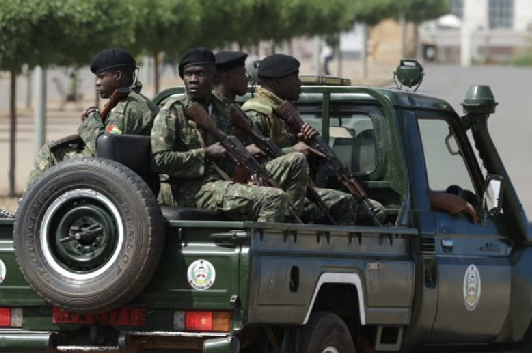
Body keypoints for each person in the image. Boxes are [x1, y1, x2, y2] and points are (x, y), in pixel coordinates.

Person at [0, 48, 157, 217]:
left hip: (120, 176)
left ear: (118, 76)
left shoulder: (127, 107)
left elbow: (105, 149)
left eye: (102, 77)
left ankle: (23, 215)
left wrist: (92, 120)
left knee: (51, 153)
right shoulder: (133, 103)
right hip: (128, 174)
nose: (97, 83)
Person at [150, 47, 308, 222]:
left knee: (296, 160)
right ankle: (260, 246)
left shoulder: (223, 107)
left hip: (227, 178)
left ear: (213, 76)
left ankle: (289, 224)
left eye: (200, 74)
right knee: (274, 198)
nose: (193, 80)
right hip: (192, 190)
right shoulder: (173, 110)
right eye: (188, 74)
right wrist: (205, 154)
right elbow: (159, 160)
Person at [241, 54, 388, 225]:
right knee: (346, 203)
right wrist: (293, 151)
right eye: (294, 77)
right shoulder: (257, 113)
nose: (299, 83)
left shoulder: (283, 111)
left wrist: (307, 144)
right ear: (276, 82)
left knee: (374, 210)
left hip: (294, 188)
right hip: (269, 191)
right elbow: (247, 162)